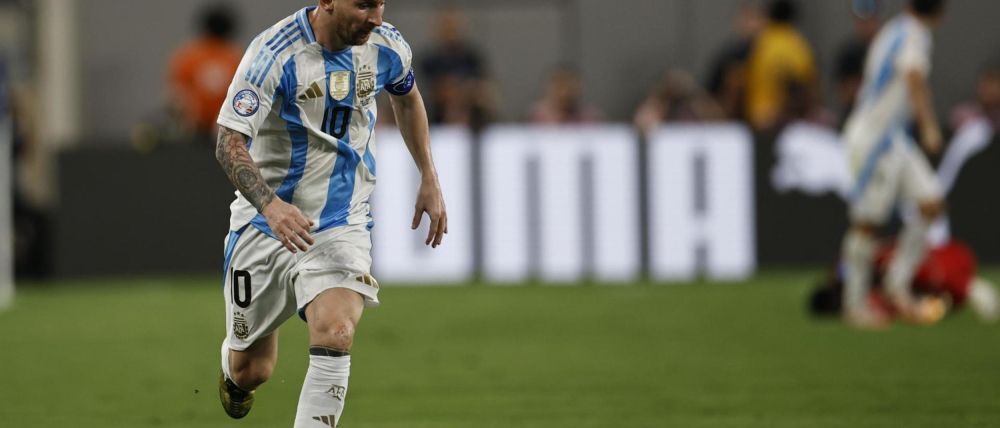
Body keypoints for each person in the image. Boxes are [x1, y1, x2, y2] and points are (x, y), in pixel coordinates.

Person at [213, 1, 448, 426]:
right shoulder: (274, 54)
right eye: (363, 5)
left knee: (336, 332)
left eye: (380, 3)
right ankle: (234, 371)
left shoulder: (387, 45)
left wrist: (428, 174)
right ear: (327, 2)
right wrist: (270, 205)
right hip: (265, 225)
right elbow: (228, 142)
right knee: (253, 370)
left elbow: (407, 99)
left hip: (342, 220)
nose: (376, 17)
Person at [839, 0, 948, 329]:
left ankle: (896, 285)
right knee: (867, 222)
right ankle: (855, 305)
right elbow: (913, 76)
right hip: (875, 140)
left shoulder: (896, 29)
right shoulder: (914, 33)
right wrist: (928, 125)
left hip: (894, 138)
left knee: (930, 203)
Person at [809, 238, 998, 324]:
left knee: (919, 273)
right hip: (933, 275)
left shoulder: (876, 261)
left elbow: (849, 262)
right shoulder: (872, 292)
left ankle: (970, 289)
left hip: (948, 261)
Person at [168, 3, 242, 142]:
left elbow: (177, 94)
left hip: (215, 128)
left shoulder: (188, 56)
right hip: (202, 128)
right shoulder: (236, 58)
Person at [744, 0, 821, 131]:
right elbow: (803, 85)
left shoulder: (760, 44)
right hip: (785, 123)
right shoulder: (797, 46)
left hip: (758, 119)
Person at [419, 7, 495, 129]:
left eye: (453, 26)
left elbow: (482, 85)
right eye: (446, 26)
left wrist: (463, 92)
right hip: (436, 115)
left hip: (469, 110)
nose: (450, 30)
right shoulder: (429, 61)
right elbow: (425, 89)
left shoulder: (471, 58)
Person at [528, 65, 604, 124]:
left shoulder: (591, 117)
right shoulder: (536, 116)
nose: (565, 92)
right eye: (560, 86)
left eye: (570, 86)